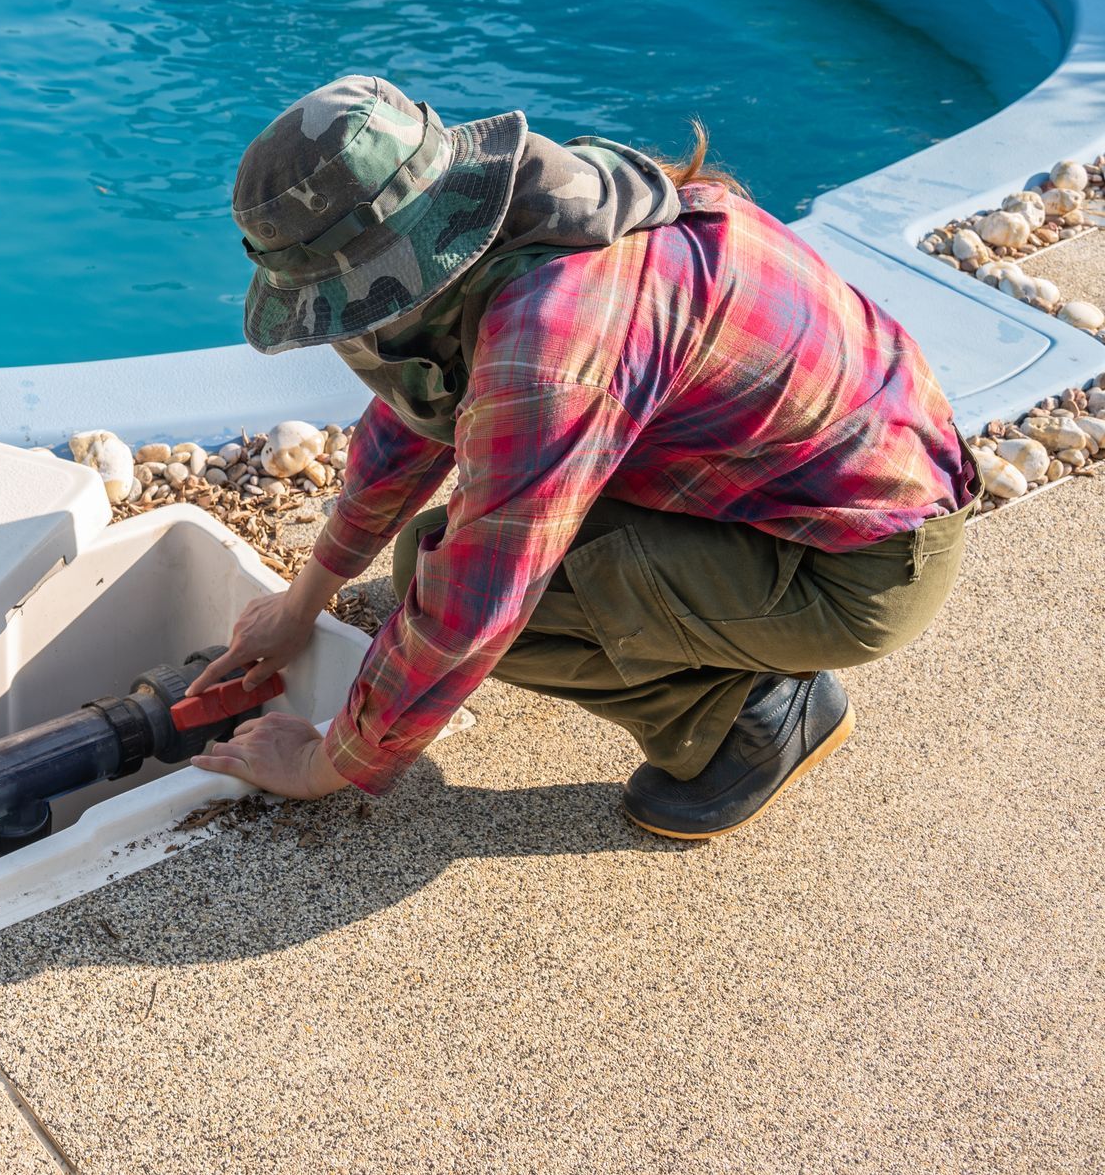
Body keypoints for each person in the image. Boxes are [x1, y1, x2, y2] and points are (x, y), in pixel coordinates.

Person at [189, 74, 976, 839]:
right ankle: (731, 645)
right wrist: (303, 601)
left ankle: (750, 718)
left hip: (860, 567)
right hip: (809, 492)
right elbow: (413, 414)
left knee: (460, 588)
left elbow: (476, 609)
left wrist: (324, 763)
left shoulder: (549, 342)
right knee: (433, 561)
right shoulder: (533, 209)